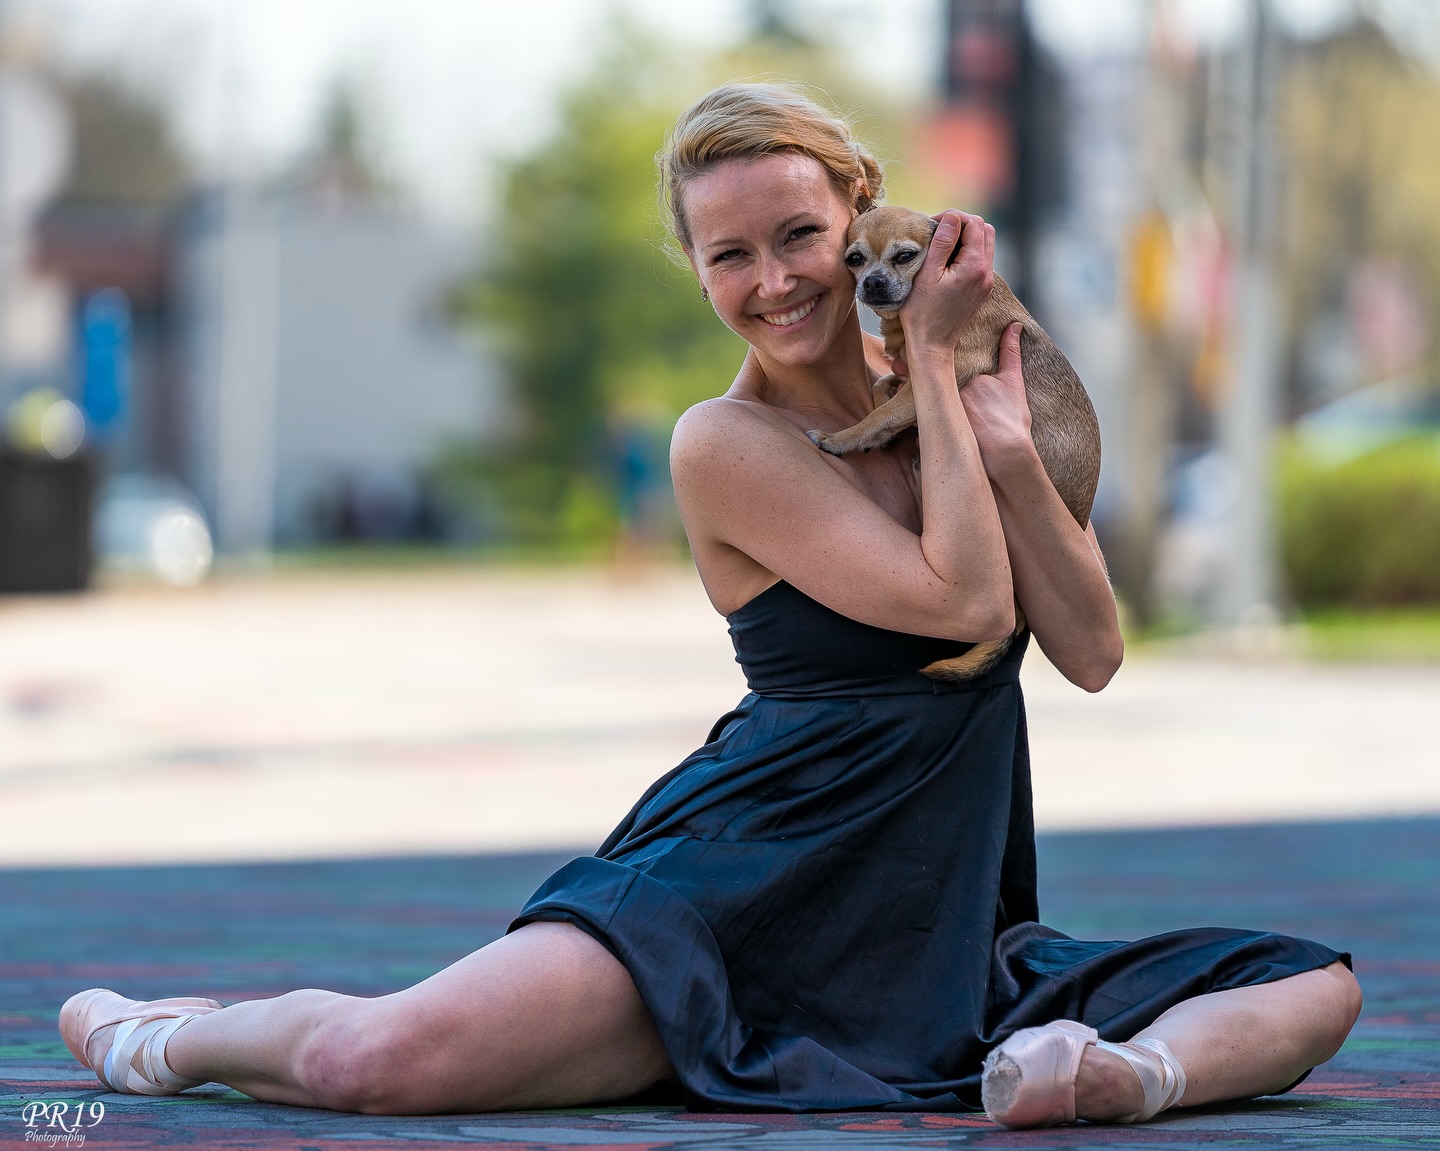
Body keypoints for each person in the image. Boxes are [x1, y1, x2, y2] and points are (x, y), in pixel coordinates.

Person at [58, 83, 1361, 1128]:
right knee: (386, 1057)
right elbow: (962, 598)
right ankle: (162, 1035)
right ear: (697, 272)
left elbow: (1090, 651)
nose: (776, 280)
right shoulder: (722, 444)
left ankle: (1117, 1079)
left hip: (936, 919)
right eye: (728, 255)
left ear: (860, 213)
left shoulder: (960, 417)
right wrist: (945, 372)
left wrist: (1006, 445)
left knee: (1316, 989)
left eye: (798, 236)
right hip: (739, 886)